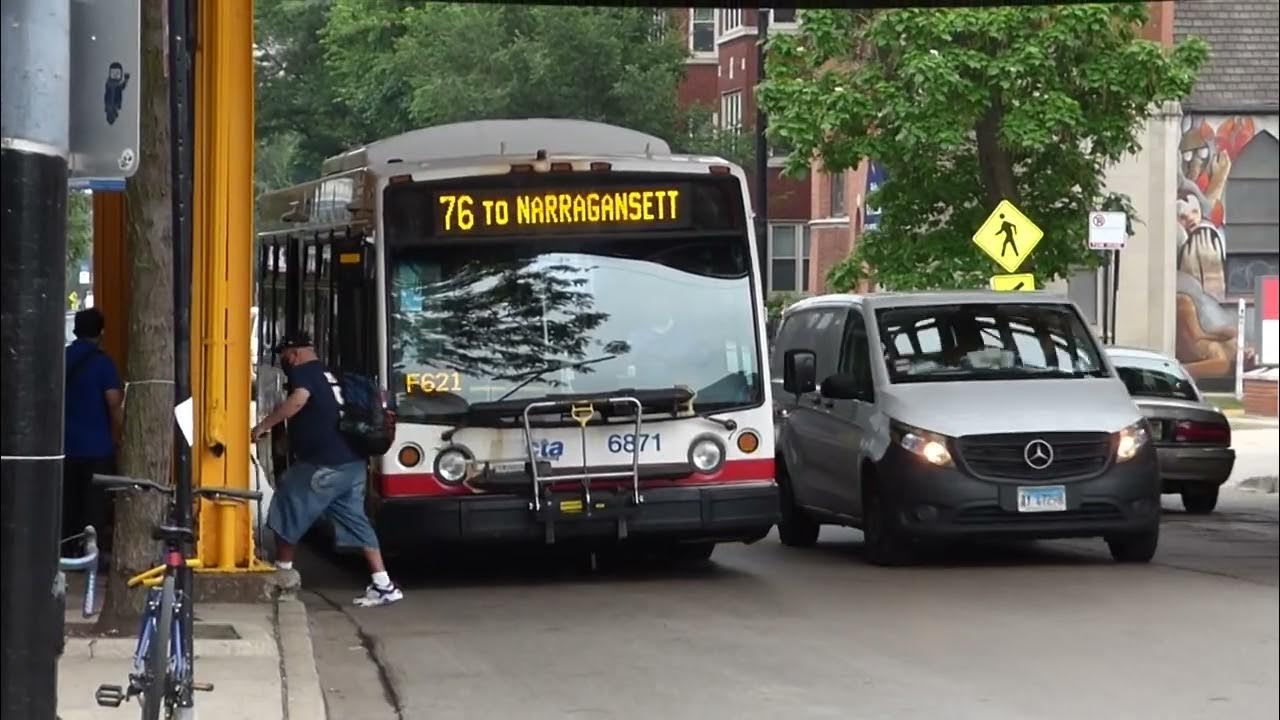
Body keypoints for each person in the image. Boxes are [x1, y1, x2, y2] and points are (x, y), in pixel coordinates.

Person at [251, 332, 403, 607]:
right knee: (355, 519)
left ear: (294, 354)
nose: (286, 363)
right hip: (353, 462)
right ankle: (384, 584)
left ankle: (281, 573)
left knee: (287, 503)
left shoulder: (304, 372)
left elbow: (298, 400)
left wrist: (263, 426)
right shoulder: (331, 374)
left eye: (285, 357)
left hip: (324, 463)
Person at [63, 308, 124, 562]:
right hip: (96, 448)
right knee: (94, 508)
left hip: (65, 447)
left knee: (69, 504)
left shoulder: (62, 358)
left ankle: (67, 550)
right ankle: (90, 556)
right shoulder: (102, 363)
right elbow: (113, 401)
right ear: (101, 332)